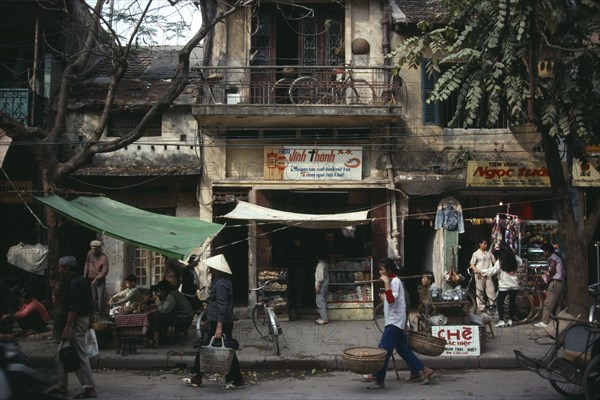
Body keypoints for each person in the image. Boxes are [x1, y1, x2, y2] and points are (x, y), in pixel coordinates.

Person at [361, 258, 434, 389]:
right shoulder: (394, 281)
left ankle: (378, 379)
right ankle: (424, 371)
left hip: (394, 323)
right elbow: (391, 301)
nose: (380, 272)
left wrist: (386, 283)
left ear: (389, 270)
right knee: (403, 350)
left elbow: (391, 299)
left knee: (382, 351)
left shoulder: (394, 281)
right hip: (396, 321)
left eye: (382, 269)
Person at [185, 254, 244, 390]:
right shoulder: (219, 281)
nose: (209, 270)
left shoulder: (222, 283)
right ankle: (199, 377)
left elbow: (222, 306)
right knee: (222, 349)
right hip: (217, 320)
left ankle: (198, 377)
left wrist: (219, 326)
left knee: (214, 348)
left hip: (220, 321)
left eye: (211, 267)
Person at [51, 255, 97, 399]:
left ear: (67, 268)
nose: (59, 270)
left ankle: (89, 388)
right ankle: (62, 386)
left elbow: (73, 309)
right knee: (59, 355)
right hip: (81, 320)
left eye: (61, 267)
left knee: (80, 355)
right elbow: (90, 302)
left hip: (75, 322)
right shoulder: (82, 281)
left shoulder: (73, 284)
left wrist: (67, 328)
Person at [480, 244, 522, 328]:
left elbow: (493, 271)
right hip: (514, 285)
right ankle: (510, 320)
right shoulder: (516, 258)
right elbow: (520, 263)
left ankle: (501, 320)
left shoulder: (500, 261)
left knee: (500, 303)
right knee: (512, 303)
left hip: (504, 286)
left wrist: (482, 271)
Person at [147, 279, 194, 348]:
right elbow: (168, 306)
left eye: (160, 291)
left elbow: (163, 310)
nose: (159, 293)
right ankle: (158, 337)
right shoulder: (175, 293)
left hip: (183, 319)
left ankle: (155, 341)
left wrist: (158, 302)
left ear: (165, 291)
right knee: (158, 316)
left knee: (158, 315)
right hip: (187, 317)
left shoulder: (171, 296)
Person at [535, 243, 565, 328]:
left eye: (543, 251)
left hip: (555, 282)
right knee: (557, 303)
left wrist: (546, 276)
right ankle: (558, 322)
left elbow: (552, 271)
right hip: (561, 282)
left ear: (547, 251)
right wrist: (542, 267)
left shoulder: (553, 258)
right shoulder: (556, 257)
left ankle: (545, 321)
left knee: (549, 302)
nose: (543, 253)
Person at [469, 239, 496, 314]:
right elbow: (472, 264)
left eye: (486, 244)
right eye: (484, 244)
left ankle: (492, 306)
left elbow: (495, 262)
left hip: (488, 274)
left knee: (491, 290)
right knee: (480, 291)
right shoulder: (476, 254)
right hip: (479, 274)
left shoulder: (489, 254)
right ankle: (481, 307)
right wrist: (477, 271)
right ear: (480, 244)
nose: (486, 245)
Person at [83, 240, 109, 317]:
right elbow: (86, 265)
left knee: (100, 297)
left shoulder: (103, 257)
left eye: (96, 249)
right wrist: (84, 276)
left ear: (99, 248)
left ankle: (101, 313)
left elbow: (105, 270)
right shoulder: (89, 254)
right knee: (94, 297)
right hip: (91, 278)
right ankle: (96, 312)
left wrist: (98, 277)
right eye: (92, 248)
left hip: (100, 280)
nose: (94, 250)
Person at [287, 238, 310, 309]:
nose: (296, 243)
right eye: (295, 241)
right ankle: (294, 301)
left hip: (301, 269)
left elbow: (305, 259)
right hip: (293, 269)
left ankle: (299, 301)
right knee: (294, 285)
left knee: (300, 285)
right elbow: (289, 259)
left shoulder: (303, 249)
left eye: (297, 241)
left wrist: (299, 262)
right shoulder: (291, 250)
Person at [314, 251, 329, 325]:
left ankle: (324, 318)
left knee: (320, 301)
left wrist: (317, 287)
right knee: (323, 300)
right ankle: (323, 317)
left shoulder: (320, 265)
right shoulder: (325, 263)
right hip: (325, 285)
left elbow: (319, 278)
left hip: (321, 285)